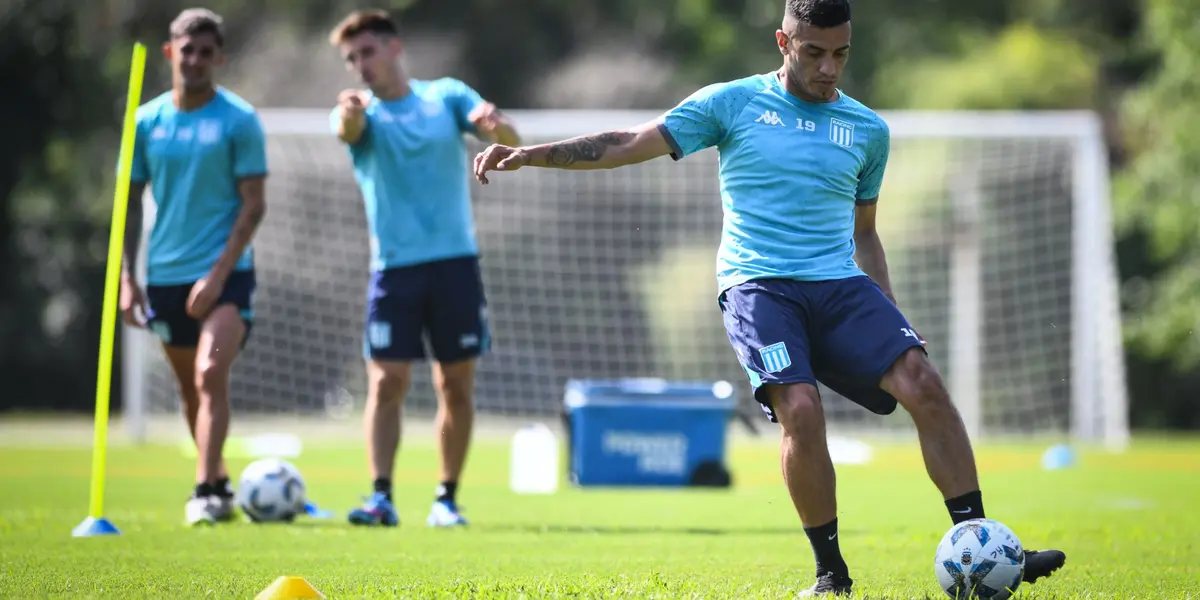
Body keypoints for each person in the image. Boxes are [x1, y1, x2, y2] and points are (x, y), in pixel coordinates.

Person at [473, 0, 1066, 594]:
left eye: (840, 54)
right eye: (814, 52)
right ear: (783, 42)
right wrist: (532, 155)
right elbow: (629, 141)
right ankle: (831, 574)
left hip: (838, 283)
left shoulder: (867, 130)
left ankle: (987, 547)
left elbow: (864, 232)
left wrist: (891, 311)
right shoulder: (731, 103)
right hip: (758, 288)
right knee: (801, 411)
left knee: (924, 383)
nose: (829, 68)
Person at [327, 9, 521, 528]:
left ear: (394, 48)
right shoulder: (357, 112)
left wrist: (492, 124)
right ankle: (381, 497)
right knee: (386, 381)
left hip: (455, 265)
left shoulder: (445, 97)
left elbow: (507, 135)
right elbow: (348, 129)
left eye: (366, 52)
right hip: (394, 270)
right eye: (351, 58)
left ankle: (446, 498)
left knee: (454, 386)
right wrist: (348, 114)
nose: (359, 65)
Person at [119, 8, 268, 526]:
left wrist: (218, 275)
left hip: (227, 275)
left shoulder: (239, 120)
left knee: (210, 374)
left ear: (220, 59)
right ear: (170, 53)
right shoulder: (146, 123)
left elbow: (254, 204)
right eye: (188, 50)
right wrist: (125, 279)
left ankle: (203, 489)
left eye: (207, 52)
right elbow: (127, 205)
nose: (196, 60)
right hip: (165, 277)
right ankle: (222, 482)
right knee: (190, 392)